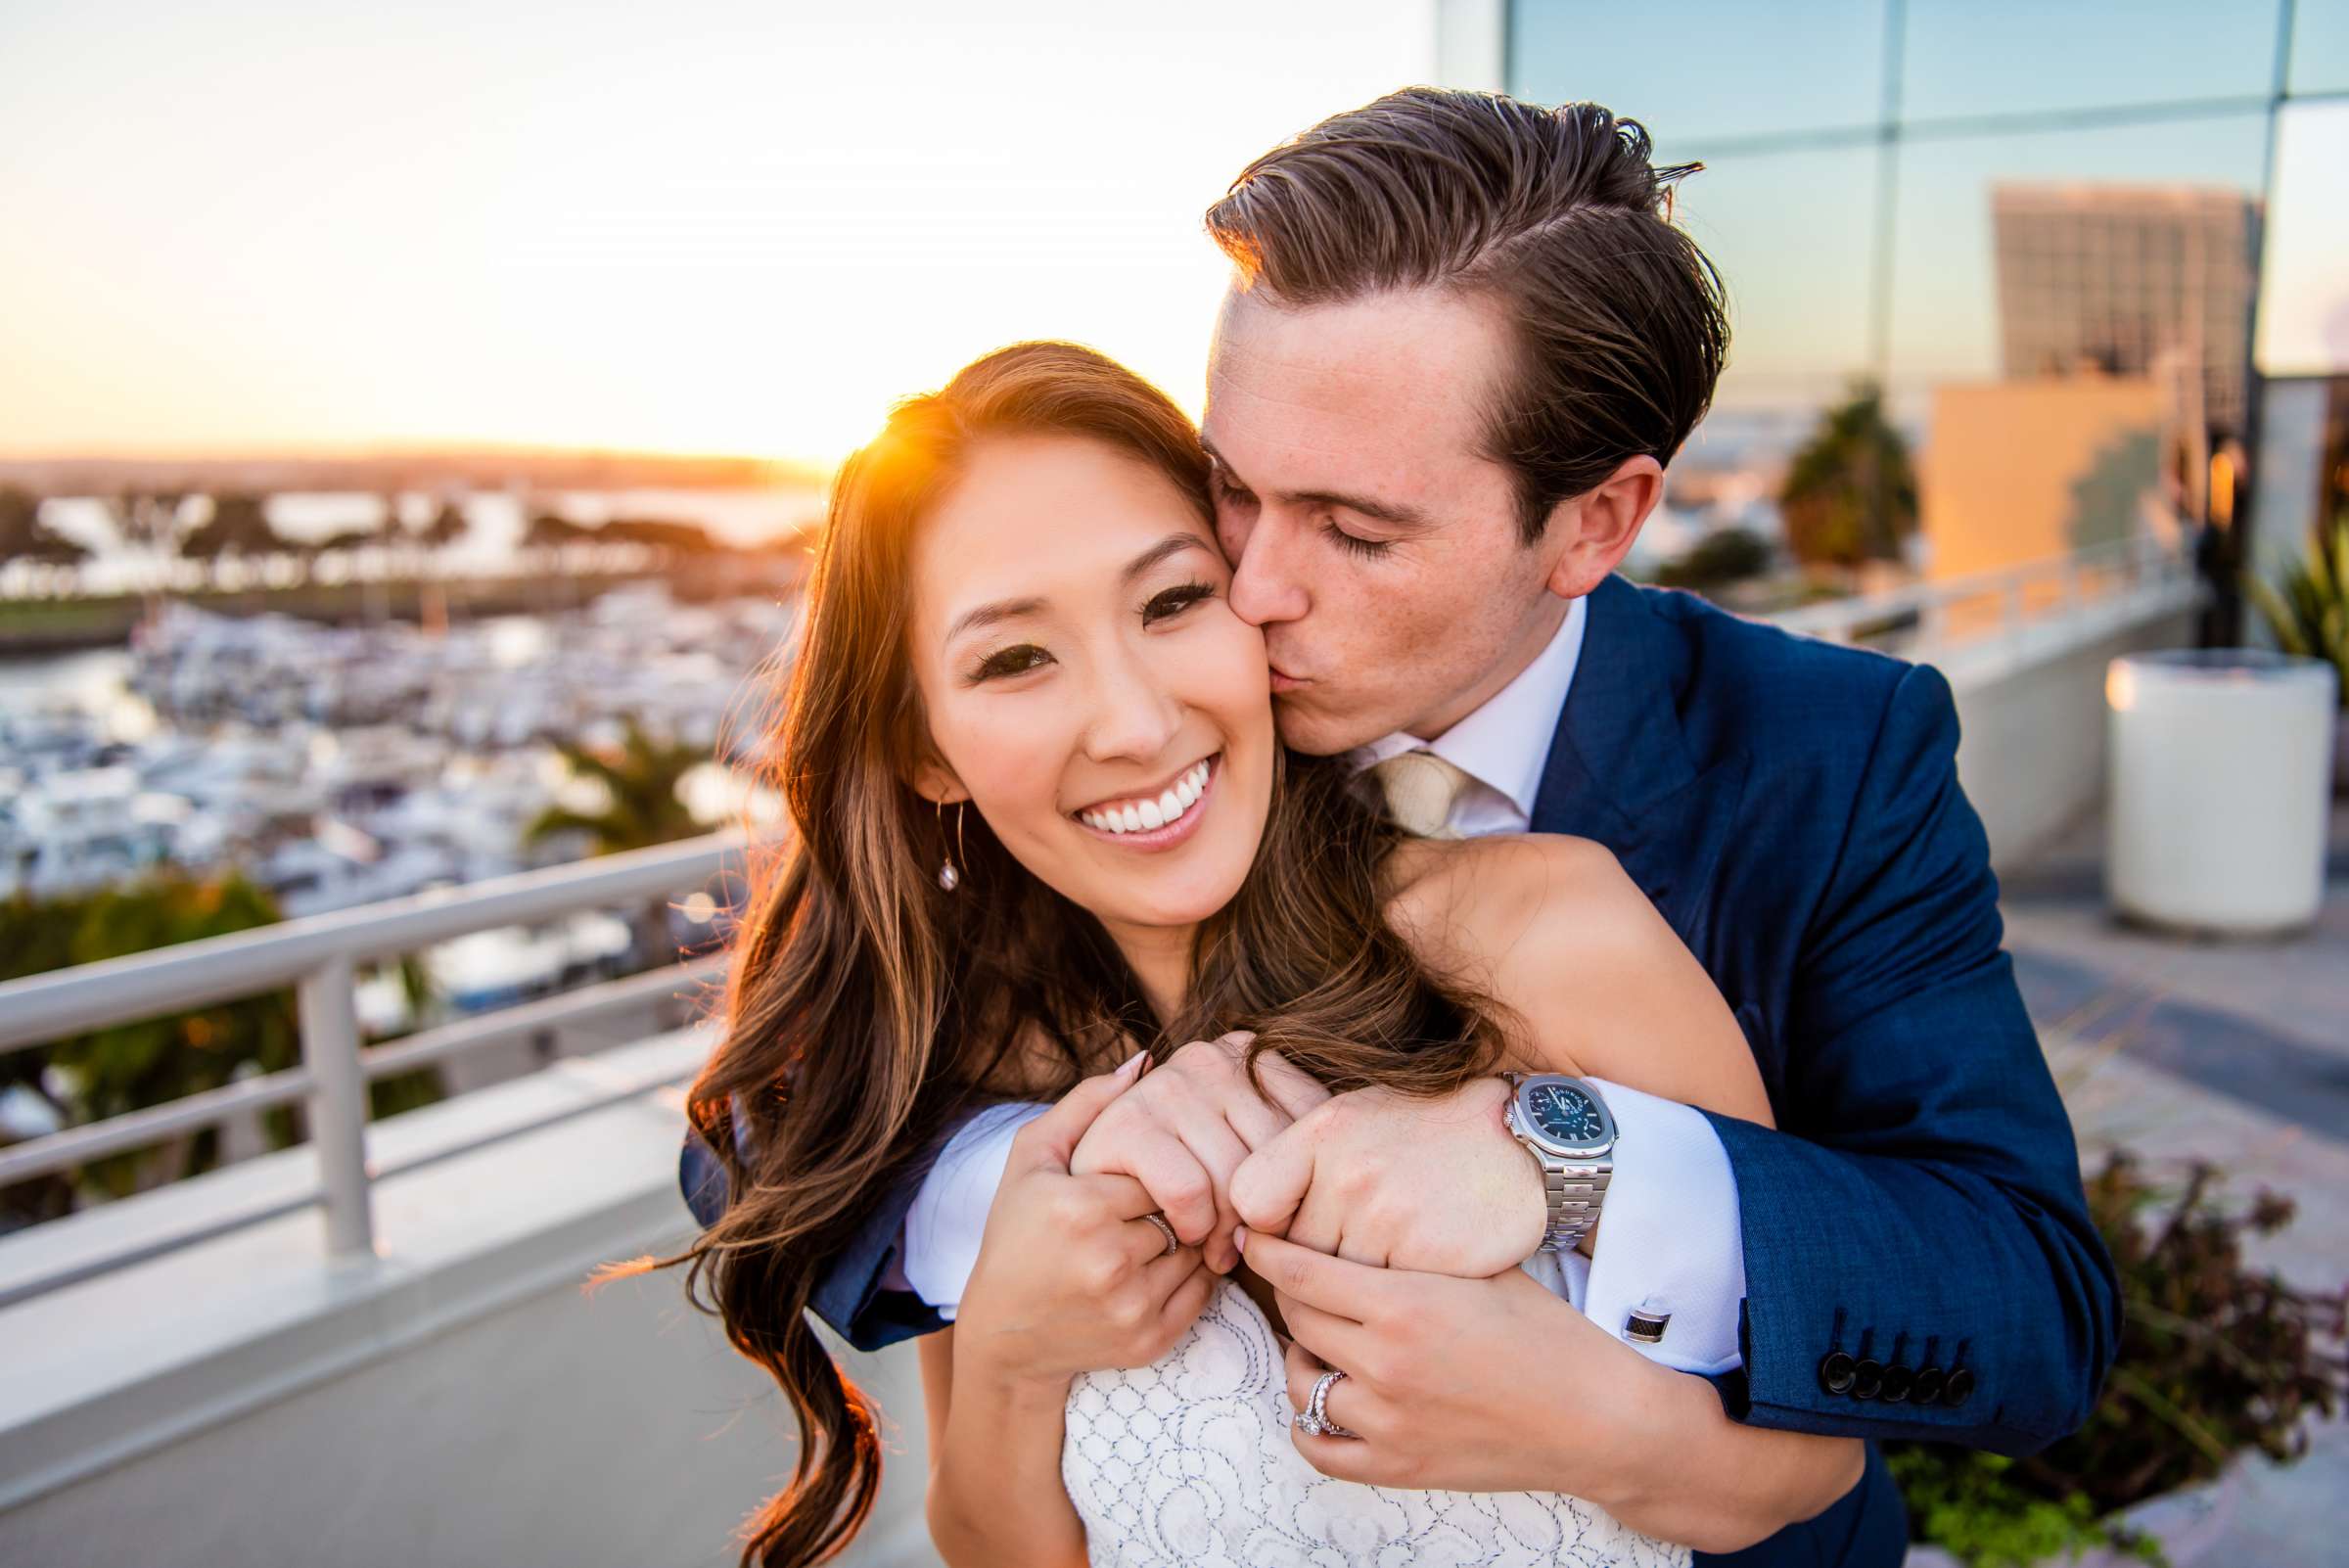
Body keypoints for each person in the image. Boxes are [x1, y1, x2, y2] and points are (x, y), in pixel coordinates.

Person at [683, 90, 2118, 1568]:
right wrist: (1026, 1194)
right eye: (1231, 493)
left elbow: (2022, 1301)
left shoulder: (1825, 756)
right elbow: (782, 1107)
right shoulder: (1100, 817)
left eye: (1357, 531)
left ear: (1593, 524)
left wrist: (1568, 1158)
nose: (1250, 589)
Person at [668, 337, 1864, 1568]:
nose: (1135, 723)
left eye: (1173, 601)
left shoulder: (1548, 934)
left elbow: (1818, 1458)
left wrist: (1576, 1419)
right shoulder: (986, 1071)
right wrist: (1018, 1353)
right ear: (926, 751)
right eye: (1016, 658)